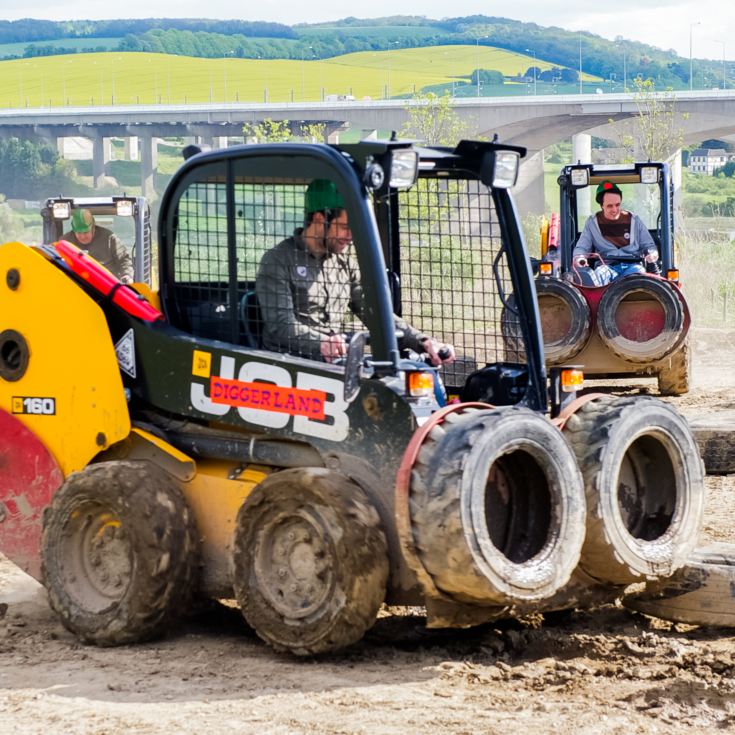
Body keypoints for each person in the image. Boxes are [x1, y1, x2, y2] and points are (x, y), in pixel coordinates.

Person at [256, 179, 455, 366]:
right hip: (289, 366)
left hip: (334, 363)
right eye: (344, 227)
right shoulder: (278, 261)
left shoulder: (344, 265)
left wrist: (423, 341)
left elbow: (375, 312)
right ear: (319, 218)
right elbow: (280, 325)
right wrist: (322, 343)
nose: (350, 237)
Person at [572, 181, 659, 286]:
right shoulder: (592, 223)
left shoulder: (634, 220)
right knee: (598, 275)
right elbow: (582, 247)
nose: (615, 210)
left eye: (617, 205)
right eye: (609, 206)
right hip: (606, 266)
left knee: (639, 275)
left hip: (632, 265)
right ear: (601, 205)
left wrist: (652, 254)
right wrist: (579, 257)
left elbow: (649, 246)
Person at [62, 209, 134, 284]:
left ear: (93, 228)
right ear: (73, 231)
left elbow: (124, 259)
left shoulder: (109, 238)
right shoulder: (65, 242)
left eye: (86, 232)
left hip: (107, 285)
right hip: (78, 286)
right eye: (79, 233)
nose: (83, 237)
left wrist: (127, 275)